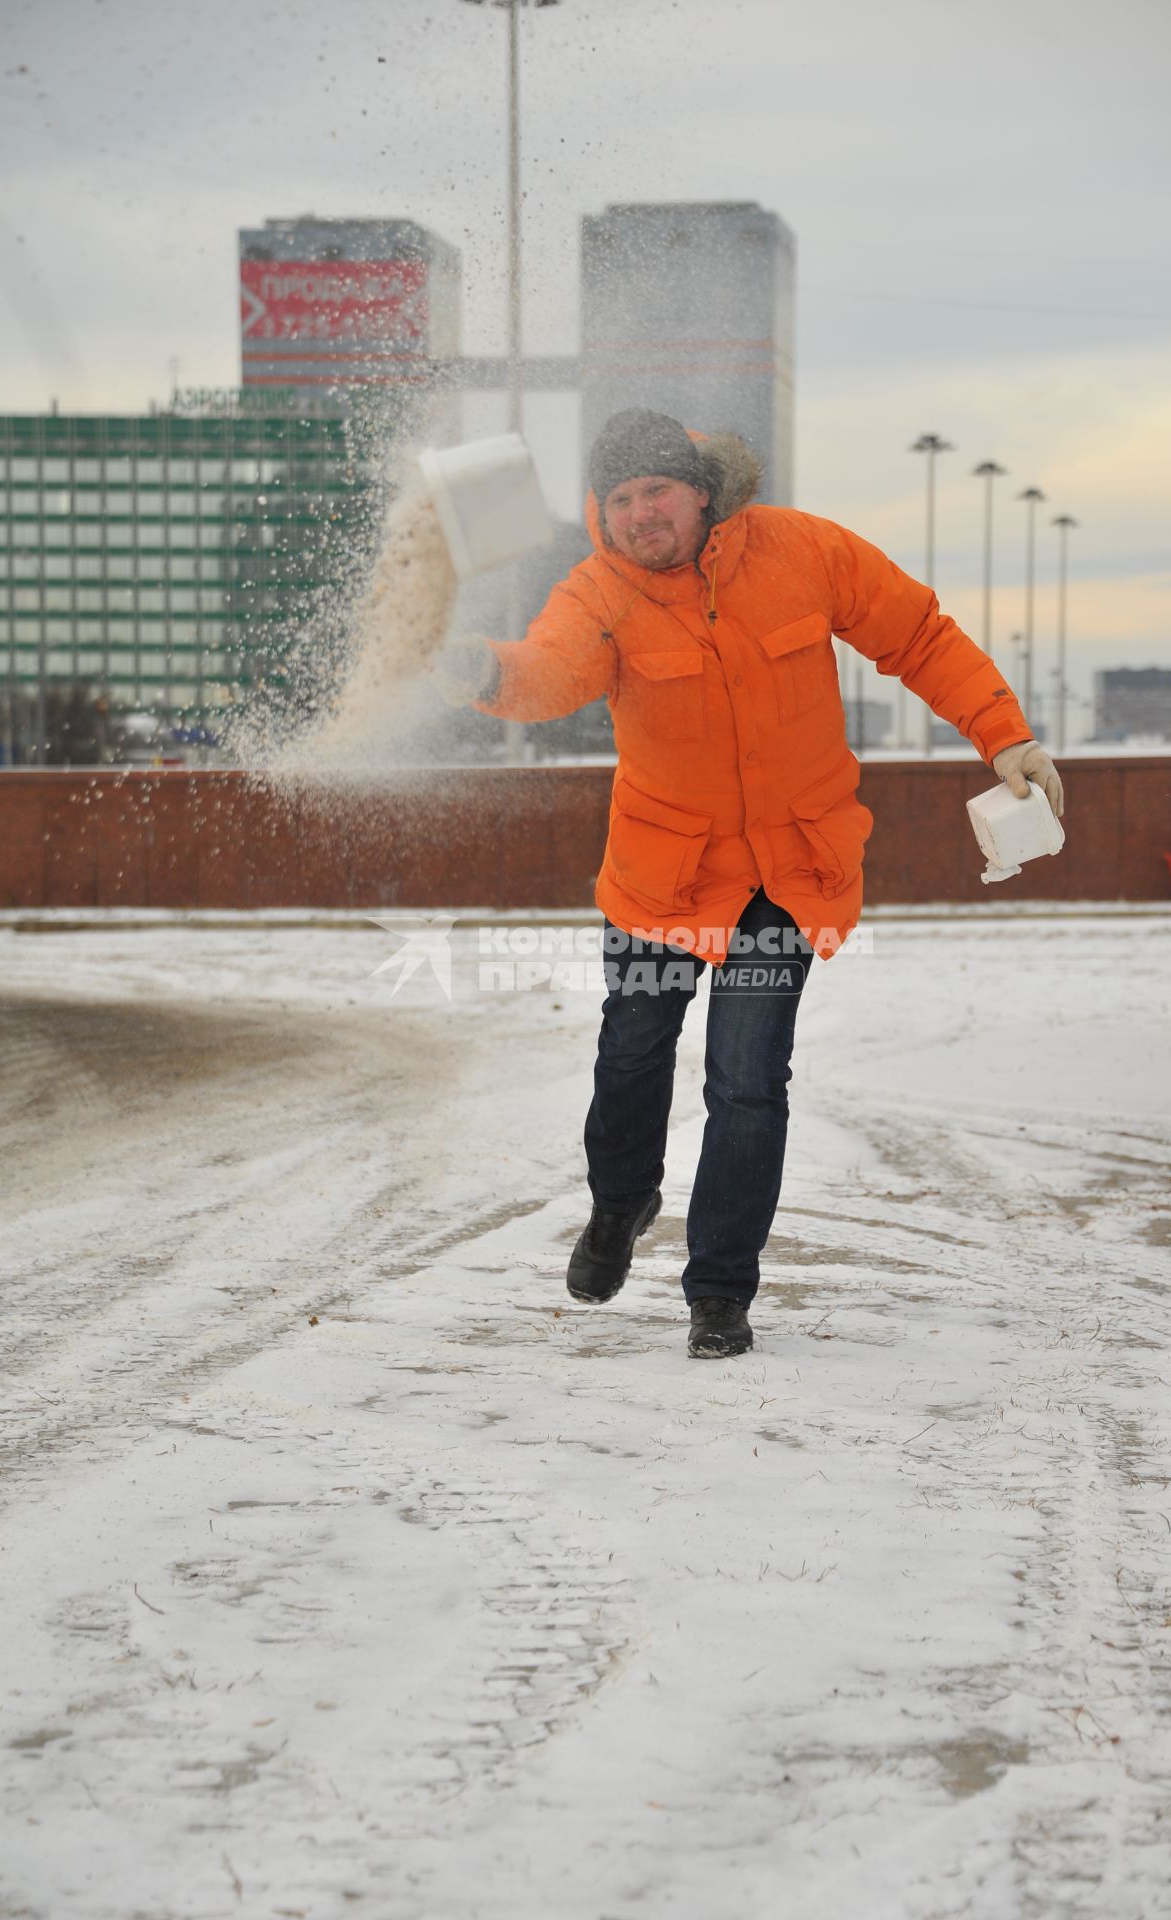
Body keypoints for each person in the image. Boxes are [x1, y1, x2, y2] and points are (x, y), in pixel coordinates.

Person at [433, 409, 1063, 1359]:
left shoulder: (800, 551)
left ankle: (719, 1291)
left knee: (747, 1081)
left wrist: (1002, 732)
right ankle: (619, 1205)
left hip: (785, 870)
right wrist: (482, 670)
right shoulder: (598, 589)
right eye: (619, 500)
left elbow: (917, 635)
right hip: (663, 879)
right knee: (632, 1055)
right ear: (601, 515)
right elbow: (551, 673)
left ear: (699, 489)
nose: (640, 514)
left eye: (655, 491)